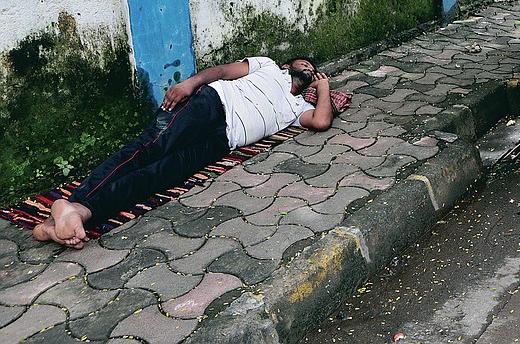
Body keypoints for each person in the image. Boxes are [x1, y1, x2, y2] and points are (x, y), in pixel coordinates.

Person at [32, 56, 334, 248]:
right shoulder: (268, 66)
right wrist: (191, 82)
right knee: (151, 148)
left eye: (314, 70)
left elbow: (321, 122)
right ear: (288, 65)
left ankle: (77, 214)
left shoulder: (299, 108)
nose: (309, 68)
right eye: (304, 63)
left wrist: (324, 89)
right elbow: (223, 71)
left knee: (158, 176)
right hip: (211, 104)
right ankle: (75, 202)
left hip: (222, 142)